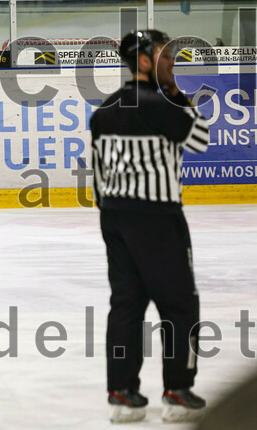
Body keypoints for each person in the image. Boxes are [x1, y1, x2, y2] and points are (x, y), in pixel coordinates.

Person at [90, 30, 210, 424]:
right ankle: (177, 390)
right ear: (143, 62)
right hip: (156, 216)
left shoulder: (105, 108)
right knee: (179, 304)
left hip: (114, 216)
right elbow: (200, 140)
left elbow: (99, 171)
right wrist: (176, 92)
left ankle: (121, 393)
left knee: (126, 304)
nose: (172, 60)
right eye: (163, 54)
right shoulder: (161, 105)